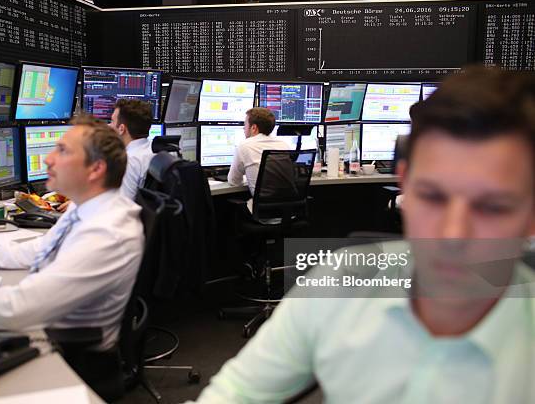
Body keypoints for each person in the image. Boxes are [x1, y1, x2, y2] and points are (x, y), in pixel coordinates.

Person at [189, 67, 535, 403]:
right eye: (432, 196)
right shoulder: (340, 283)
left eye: (492, 206)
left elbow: (235, 183)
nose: (453, 235)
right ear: (405, 183)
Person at [0, 115, 145, 352]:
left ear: (96, 168)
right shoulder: (87, 206)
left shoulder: (108, 233)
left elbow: (19, 308)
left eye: (62, 151)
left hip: (70, 352)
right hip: (48, 323)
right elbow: (40, 248)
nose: (49, 159)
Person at [227, 107, 290, 195]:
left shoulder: (245, 145)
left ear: (253, 128)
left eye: (245, 125)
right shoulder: (284, 145)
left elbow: (234, 181)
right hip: (289, 205)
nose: (244, 129)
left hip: (262, 206)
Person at [109, 98, 155, 200]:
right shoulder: (157, 151)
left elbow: (122, 207)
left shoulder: (129, 161)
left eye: (112, 121)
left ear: (121, 129)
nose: (109, 126)